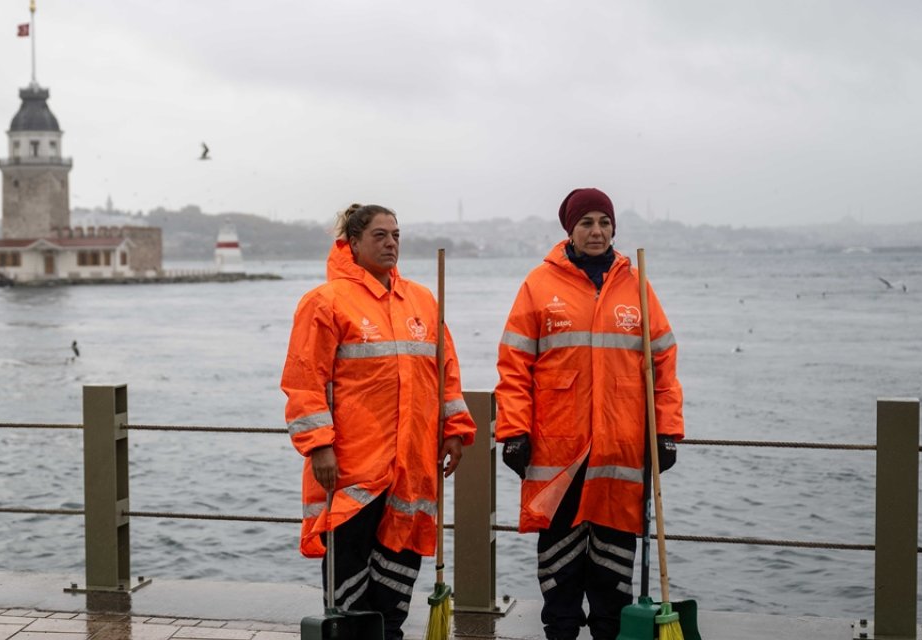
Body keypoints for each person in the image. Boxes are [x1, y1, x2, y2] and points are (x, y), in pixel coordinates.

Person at [494, 187, 684, 640]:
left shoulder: (637, 286)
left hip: (621, 452)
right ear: (569, 230)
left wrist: (668, 431)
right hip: (557, 452)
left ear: (614, 228)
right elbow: (514, 364)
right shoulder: (538, 286)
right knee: (559, 569)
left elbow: (663, 363)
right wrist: (513, 430)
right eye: (587, 223)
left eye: (604, 222)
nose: (596, 231)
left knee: (613, 573)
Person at [282, 203, 476, 639]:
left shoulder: (423, 300)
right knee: (350, 584)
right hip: (352, 468)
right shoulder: (325, 302)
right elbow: (304, 381)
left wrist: (455, 431)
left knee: (397, 578)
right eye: (379, 236)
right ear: (352, 242)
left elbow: (446, 372)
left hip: (411, 467)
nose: (391, 244)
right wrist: (320, 446)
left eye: (396, 235)